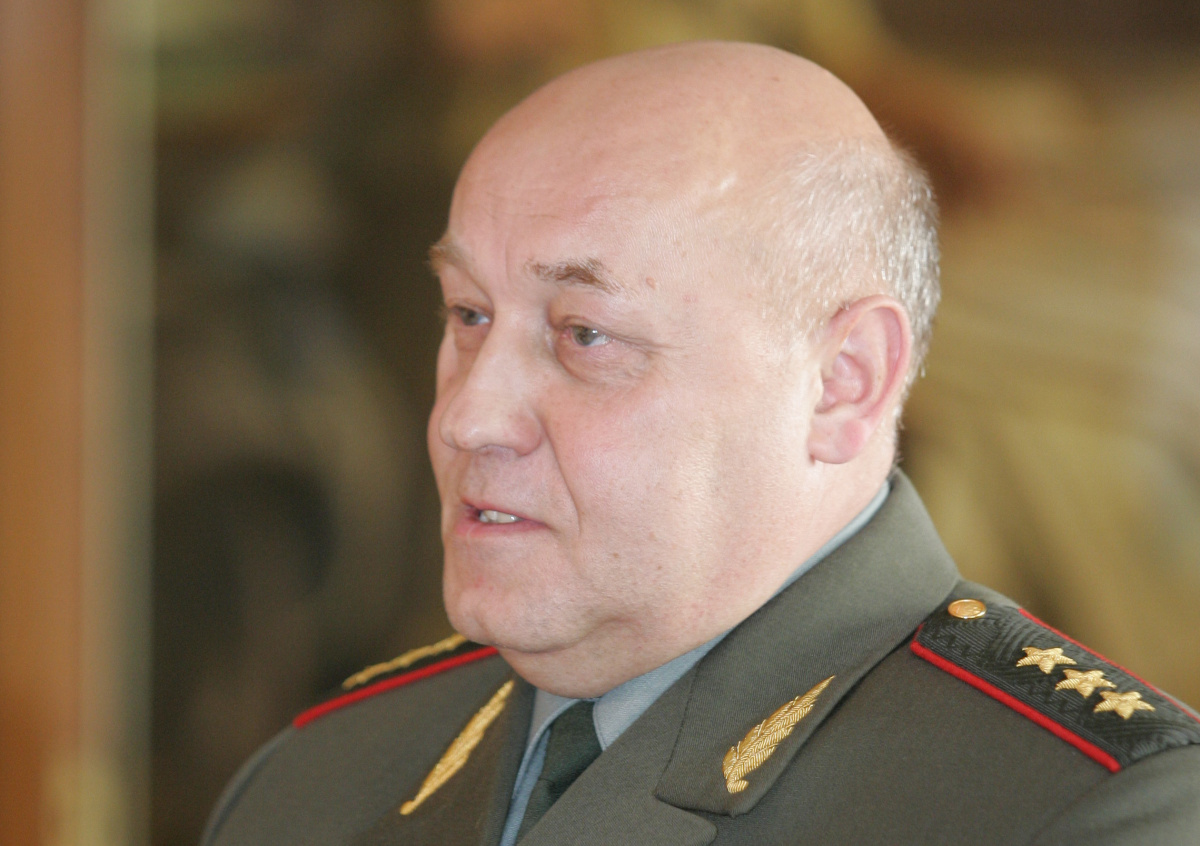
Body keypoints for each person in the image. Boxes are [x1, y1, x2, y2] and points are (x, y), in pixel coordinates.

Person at [201, 42, 1200, 845]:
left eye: (584, 335)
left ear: (843, 381)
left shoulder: (1087, 813)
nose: (467, 417)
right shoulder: (314, 782)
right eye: (467, 314)